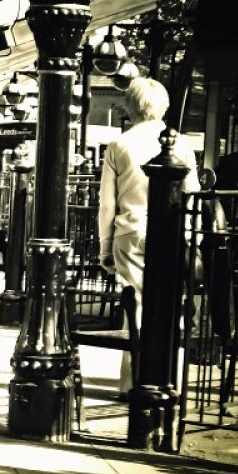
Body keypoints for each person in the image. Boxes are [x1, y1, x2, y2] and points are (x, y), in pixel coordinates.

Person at [98, 76, 200, 391]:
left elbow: (107, 202)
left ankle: (133, 382)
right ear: (164, 106)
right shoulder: (181, 143)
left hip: (130, 232)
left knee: (135, 306)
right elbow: (192, 194)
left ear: (130, 106)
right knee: (172, 303)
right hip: (172, 232)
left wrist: (105, 246)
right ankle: (173, 379)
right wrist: (193, 239)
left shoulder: (119, 144)